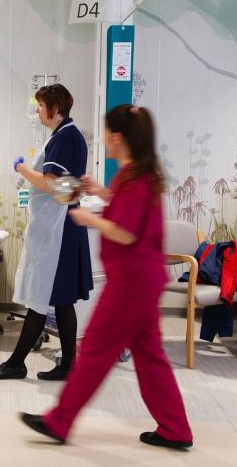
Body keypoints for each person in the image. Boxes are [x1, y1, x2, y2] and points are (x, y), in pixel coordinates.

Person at [19, 105, 192, 450]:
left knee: (96, 350)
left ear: (117, 137)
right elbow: (132, 213)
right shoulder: (139, 176)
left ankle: (59, 421)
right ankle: (175, 429)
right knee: (150, 356)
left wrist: (87, 218)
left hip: (131, 283)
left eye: (105, 134)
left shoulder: (135, 178)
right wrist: (101, 193)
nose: (102, 140)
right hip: (141, 280)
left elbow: (126, 233)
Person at [0, 83, 92, 381]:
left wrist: (21, 169)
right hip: (61, 227)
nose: (37, 110)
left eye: (41, 105)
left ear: (55, 109)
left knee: (40, 298)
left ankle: (17, 363)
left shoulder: (65, 137)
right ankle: (68, 365)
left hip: (58, 232)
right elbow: (67, 187)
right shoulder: (69, 136)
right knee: (60, 300)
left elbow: (52, 185)